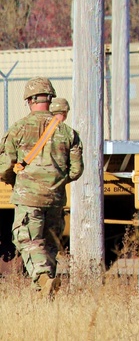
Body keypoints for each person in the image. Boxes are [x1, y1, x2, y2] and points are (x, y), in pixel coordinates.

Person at [0, 80, 83, 297]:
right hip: (56, 198)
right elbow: (76, 170)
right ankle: (46, 294)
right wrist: (56, 182)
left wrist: (14, 180)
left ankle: (43, 277)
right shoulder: (68, 133)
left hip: (28, 197)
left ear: (29, 100)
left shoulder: (18, 129)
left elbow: (5, 165)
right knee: (49, 245)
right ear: (50, 98)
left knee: (26, 239)